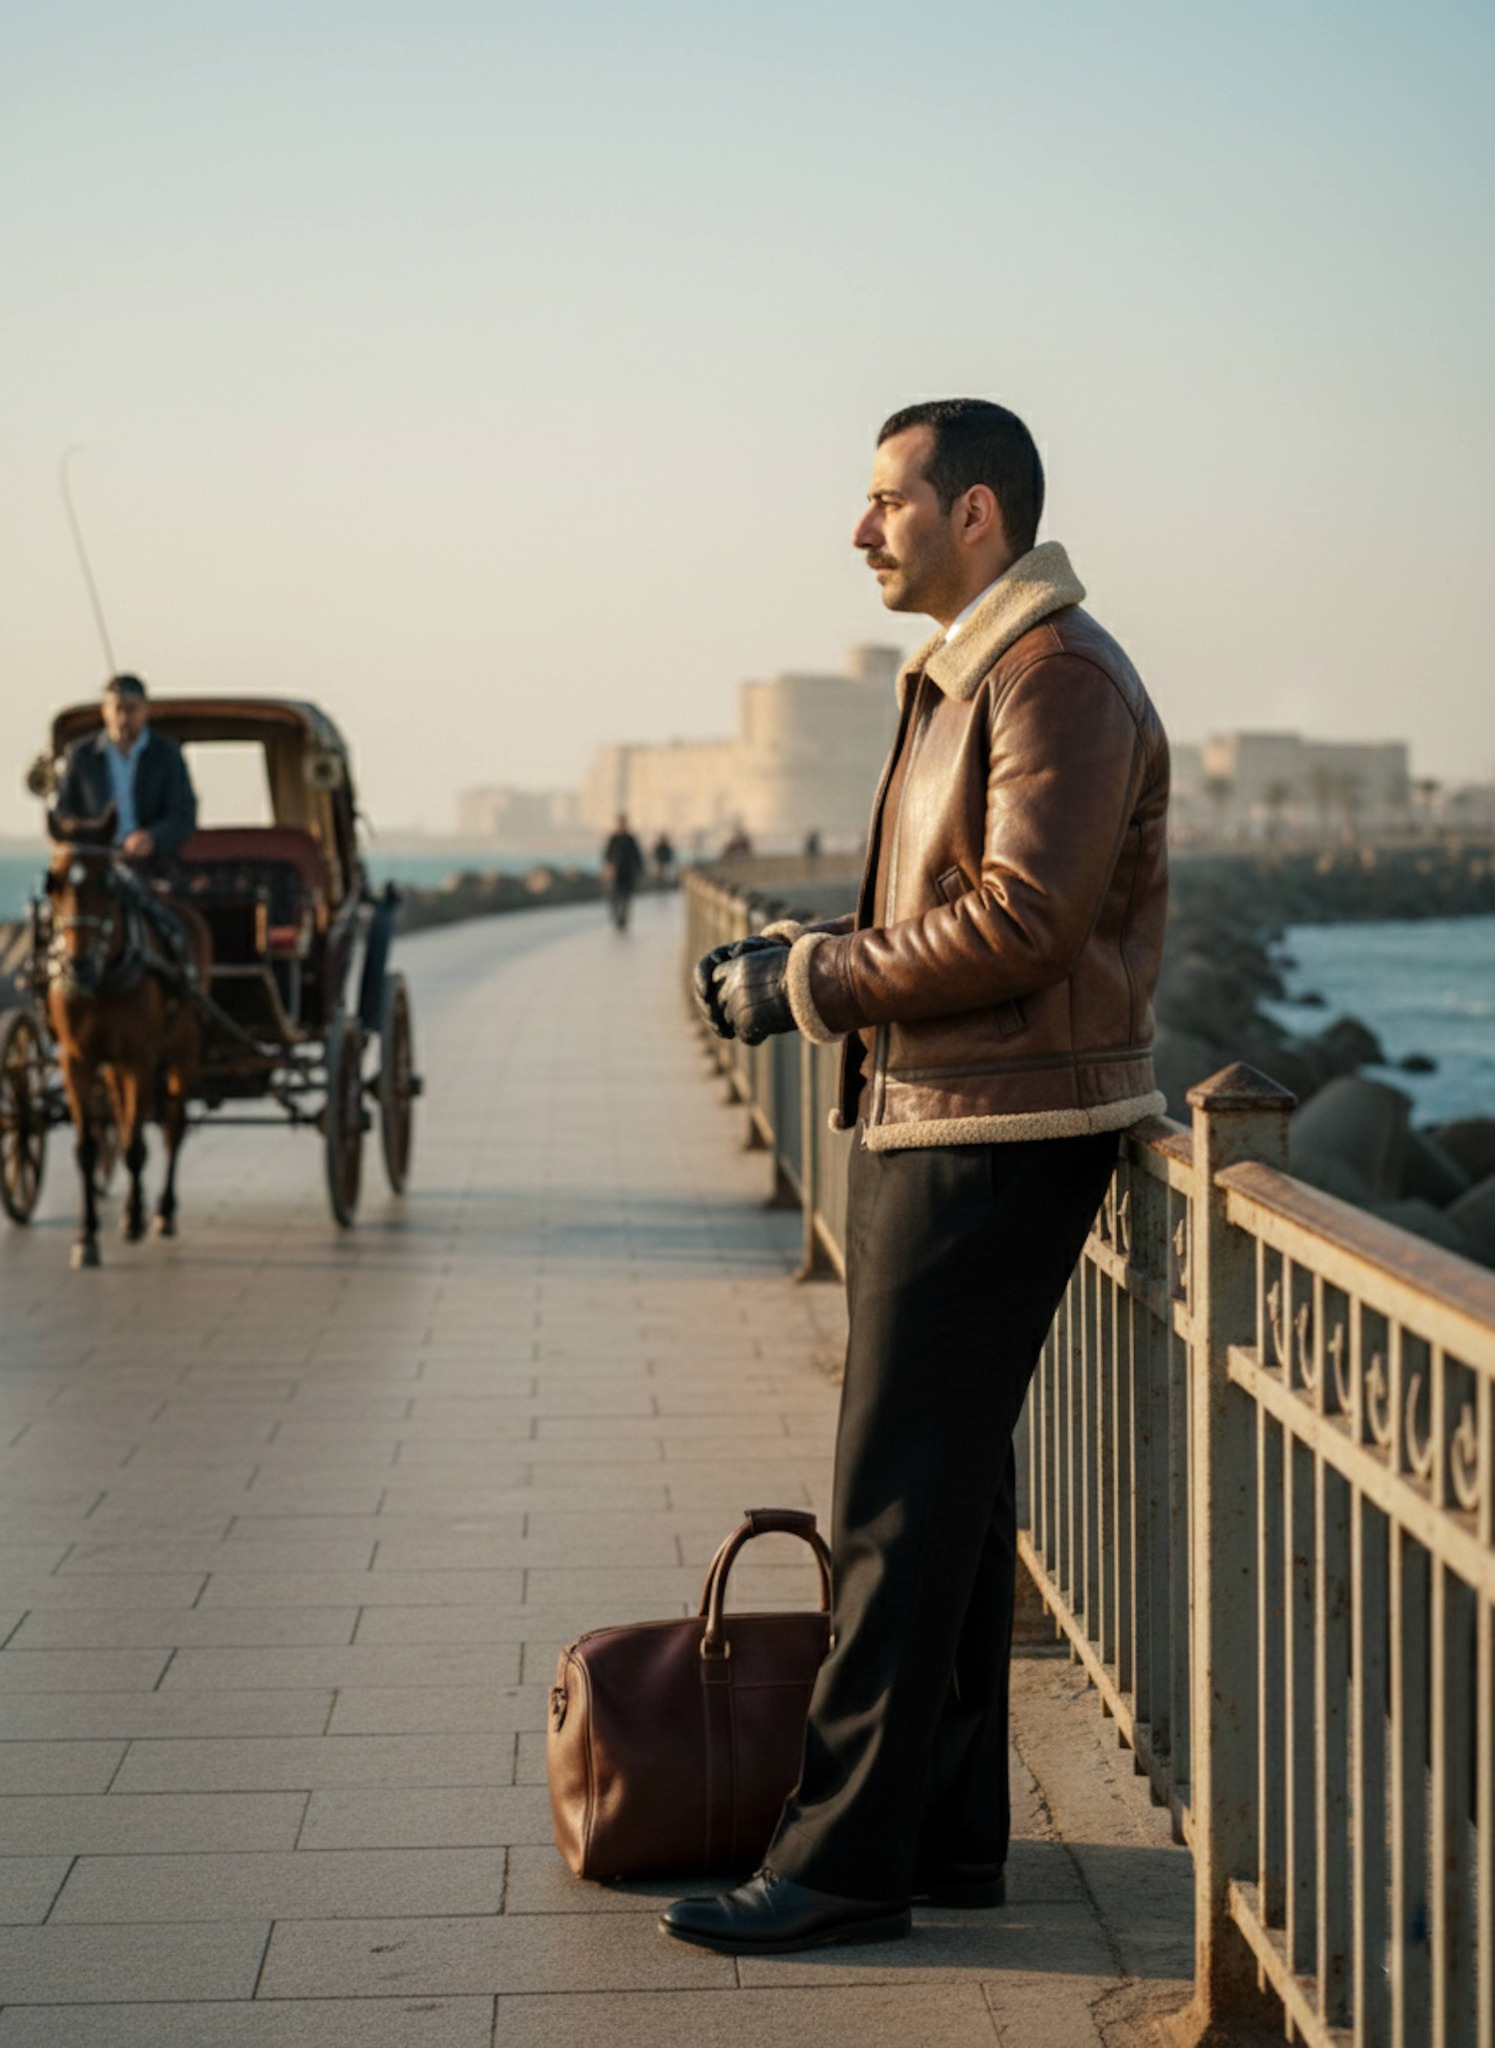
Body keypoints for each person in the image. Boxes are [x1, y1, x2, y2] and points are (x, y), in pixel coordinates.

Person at [672, 398, 1169, 1956]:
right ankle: (947, 1840)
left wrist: (813, 977)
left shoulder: (1054, 676)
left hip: (998, 1128)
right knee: (944, 1495)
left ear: (975, 515)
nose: (857, 527)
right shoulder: (979, 672)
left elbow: (1022, 920)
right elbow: (950, 892)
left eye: (886, 499)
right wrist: (817, 950)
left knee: (891, 1502)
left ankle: (837, 1866)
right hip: (952, 1111)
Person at [53, 673, 199, 970]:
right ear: (104, 711)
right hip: (95, 861)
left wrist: (152, 838)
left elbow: (183, 814)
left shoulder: (166, 755)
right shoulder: (81, 756)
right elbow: (62, 810)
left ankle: (180, 980)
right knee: (57, 910)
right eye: (116, 708)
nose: (123, 717)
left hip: (150, 863)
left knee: (170, 920)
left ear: (146, 711)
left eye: (131, 709)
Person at [601, 813, 645, 931]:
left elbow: (637, 856)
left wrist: (639, 870)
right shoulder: (613, 839)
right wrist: (608, 868)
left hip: (628, 873)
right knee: (615, 896)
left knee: (626, 897)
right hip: (615, 874)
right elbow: (607, 855)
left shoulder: (630, 839)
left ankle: (623, 919)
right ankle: (617, 917)